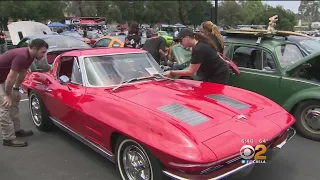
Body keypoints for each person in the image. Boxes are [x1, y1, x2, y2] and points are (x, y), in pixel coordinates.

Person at [0, 39, 48, 147]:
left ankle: (16, 130)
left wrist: (16, 89)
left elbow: (22, 73)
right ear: (34, 48)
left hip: (4, 79)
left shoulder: (30, 56)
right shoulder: (21, 56)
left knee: (14, 103)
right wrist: (7, 95)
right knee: (5, 106)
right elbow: (11, 77)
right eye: (42, 52)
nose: (43, 55)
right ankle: (8, 138)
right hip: (3, 79)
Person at [164, 28, 230, 84]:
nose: (180, 44)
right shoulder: (198, 46)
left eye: (180, 40)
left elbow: (190, 71)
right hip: (209, 72)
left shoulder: (199, 49)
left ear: (187, 38)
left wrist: (171, 72)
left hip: (218, 74)